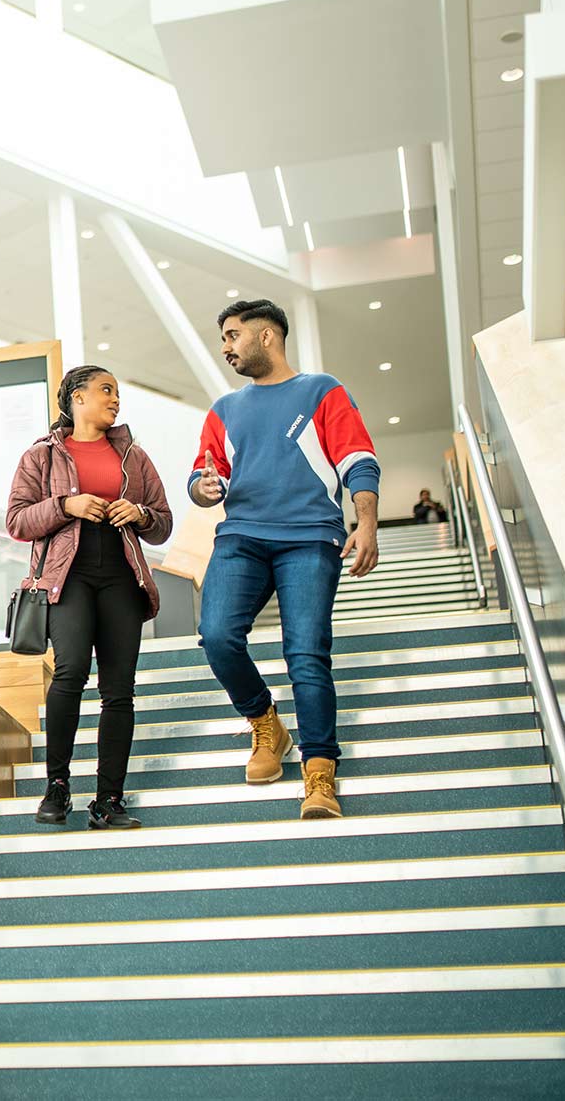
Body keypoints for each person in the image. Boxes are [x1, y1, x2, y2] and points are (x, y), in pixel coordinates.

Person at [189, 300, 380, 821]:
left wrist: (365, 522)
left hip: (309, 538)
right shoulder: (225, 409)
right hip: (242, 536)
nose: (226, 347)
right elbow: (206, 476)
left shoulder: (322, 391)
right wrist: (205, 488)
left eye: (232, 335)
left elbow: (358, 460)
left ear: (266, 336)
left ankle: (319, 773)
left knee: (306, 653)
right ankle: (265, 721)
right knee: (219, 634)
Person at [7, 365, 174, 830]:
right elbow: (17, 520)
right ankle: (57, 787)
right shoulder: (40, 455)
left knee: (119, 690)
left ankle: (109, 800)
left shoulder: (134, 457)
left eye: (117, 392)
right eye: (106, 390)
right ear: (76, 398)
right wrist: (66, 506)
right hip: (68, 576)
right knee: (71, 671)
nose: (115, 399)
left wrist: (138, 513)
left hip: (122, 574)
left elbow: (162, 522)